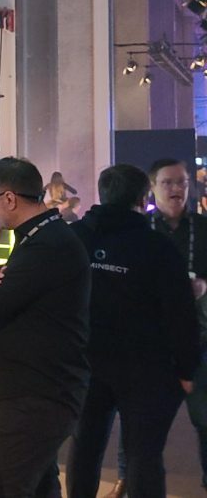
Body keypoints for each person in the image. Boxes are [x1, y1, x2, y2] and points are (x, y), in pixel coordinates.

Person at [65, 164, 198, 498]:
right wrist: (187, 368)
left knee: (85, 444)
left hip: (83, 360)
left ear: (102, 194)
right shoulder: (157, 247)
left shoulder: (74, 238)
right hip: (145, 367)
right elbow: (180, 313)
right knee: (143, 454)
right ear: (143, 198)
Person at [0, 157, 90, 497]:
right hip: (34, 390)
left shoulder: (46, 244)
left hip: (33, 394)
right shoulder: (42, 237)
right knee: (39, 486)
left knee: (6, 488)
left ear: (9, 199)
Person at [149, 158, 207, 489]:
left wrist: (204, 286)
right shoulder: (141, 230)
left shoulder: (203, 228)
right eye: (168, 182)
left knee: (205, 421)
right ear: (152, 187)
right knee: (144, 427)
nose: (176, 189)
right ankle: (131, 480)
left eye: (182, 182)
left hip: (200, 337)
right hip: (153, 343)